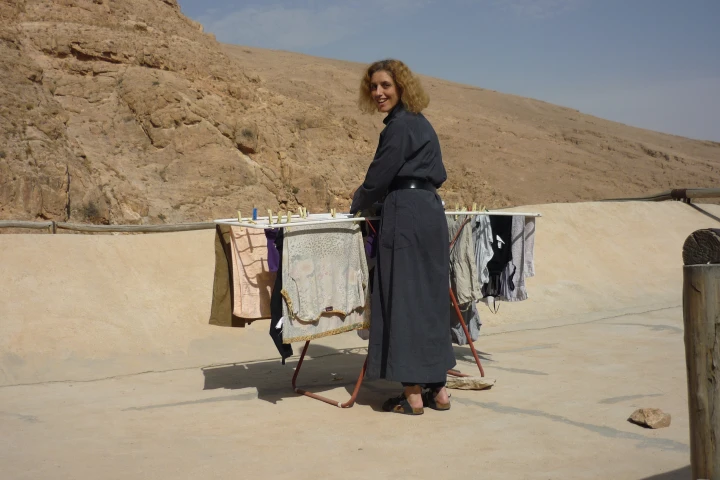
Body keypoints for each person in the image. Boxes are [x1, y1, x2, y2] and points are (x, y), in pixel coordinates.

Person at [350, 59, 456, 415]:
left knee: (402, 297)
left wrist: (357, 203)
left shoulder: (398, 127)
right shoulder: (421, 123)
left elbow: (378, 176)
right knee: (429, 299)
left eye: (385, 86)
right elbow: (438, 173)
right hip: (430, 210)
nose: (378, 93)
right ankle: (439, 390)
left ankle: (412, 394)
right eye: (374, 87)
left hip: (406, 212)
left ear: (401, 87)